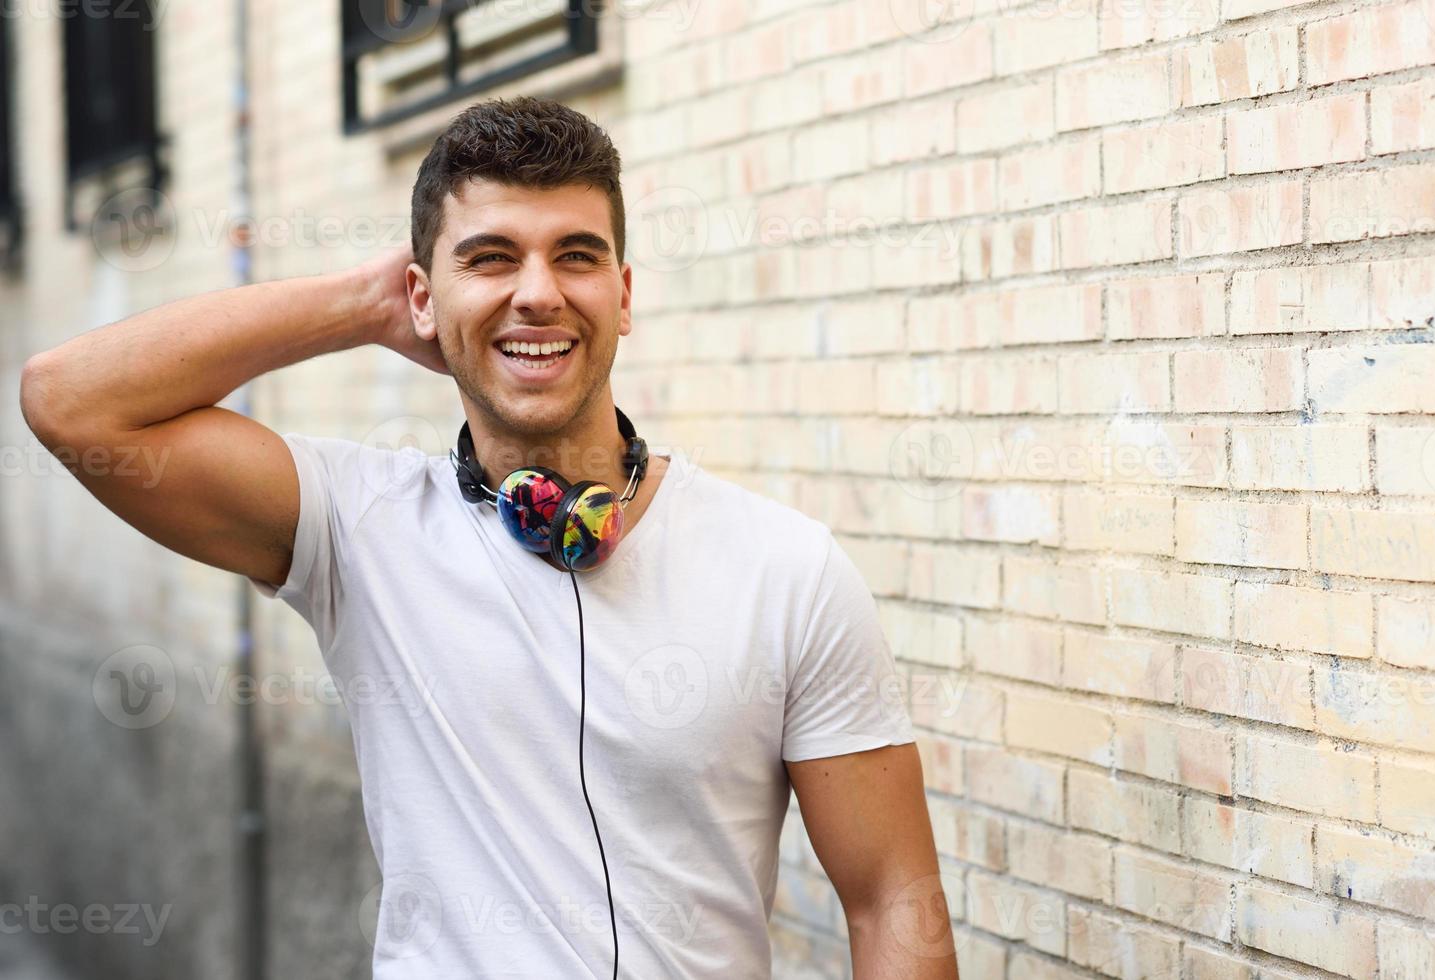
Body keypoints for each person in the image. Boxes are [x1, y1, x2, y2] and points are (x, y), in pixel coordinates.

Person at [20, 95, 958, 979]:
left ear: (623, 295)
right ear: (423, 299)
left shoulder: (786, 566)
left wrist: (458, 282)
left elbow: (891, 899)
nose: (539, 294)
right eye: (492, 258)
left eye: (577, 256)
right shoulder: (356, 528)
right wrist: (361, 303)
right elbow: (71, 403)